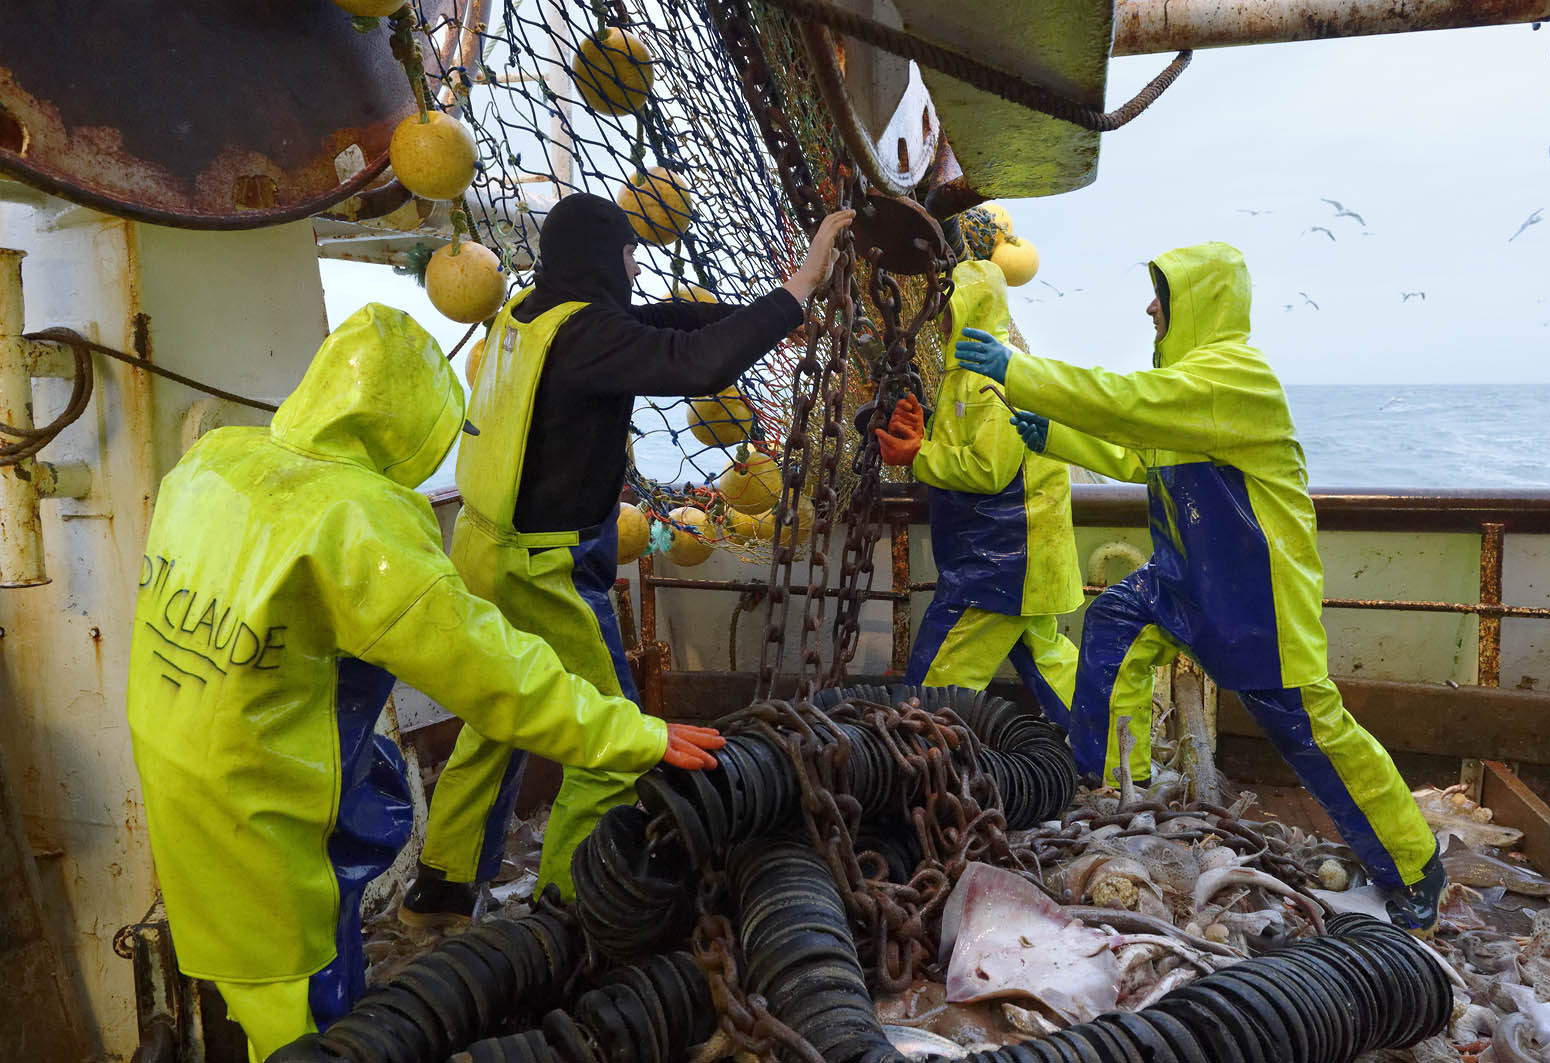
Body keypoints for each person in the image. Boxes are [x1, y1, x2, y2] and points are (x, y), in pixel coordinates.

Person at [125, 304, 726, 1059]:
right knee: (311, 1026)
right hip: (267, 813)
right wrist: (636, 735)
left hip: (180, 773)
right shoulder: (357, 522)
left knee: (256, 984)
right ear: (407, 426)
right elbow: (493, 672)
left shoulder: (213, 460)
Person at [955, 241, 1445, 933]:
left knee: (1313, 731)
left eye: (1164, 293)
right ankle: (1122, 792)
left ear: (1199, 304)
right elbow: (1138, 448)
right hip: (1184, 582)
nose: (1151, 305)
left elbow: (1125, 403)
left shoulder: (1235, 378)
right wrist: (1056, 437)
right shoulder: (1191, 389)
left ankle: (1414, 864)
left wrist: (1019, 373)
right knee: (1114, 625)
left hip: (1258, 602)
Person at [401, 195, 856, 923]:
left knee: (502, 713)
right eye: (629, 254)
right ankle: (571, 911)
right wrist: (800, 285)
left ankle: (442, 889)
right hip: (541, 568)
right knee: (610, 736)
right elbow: (700, 363)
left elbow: (667, 321)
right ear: (605, 257)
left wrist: (778, 310)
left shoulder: (533, 314)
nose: (636, 265)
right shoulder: (585, 339)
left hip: (483, 551)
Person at [875, 258, 1103, 719]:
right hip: (1018, 563)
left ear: (968, 308)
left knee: (933, 687)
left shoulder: (989, 379)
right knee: (1050, 664)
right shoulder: (967, 373)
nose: (938, 317)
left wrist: (918, 455)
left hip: (999, 566)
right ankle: (1123, 760)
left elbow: (990, 471)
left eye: (946, 306)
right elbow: (978, 451)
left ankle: (917, 776)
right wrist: (929, 433)